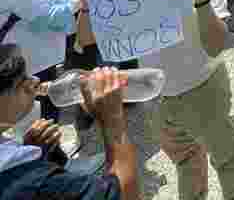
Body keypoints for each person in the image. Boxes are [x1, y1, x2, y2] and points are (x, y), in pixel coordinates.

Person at [127, 0, 234, 200]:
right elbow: (87, 40)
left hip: (202, 90)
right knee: (186, 162)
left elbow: (216, 45)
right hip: (157, 96)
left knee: (226, 159)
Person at [0, 57, 139, 200]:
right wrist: (113, 120)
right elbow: (124, 195)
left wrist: (33, 157)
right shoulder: (33, 181)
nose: (35, 80)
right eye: (20, 82)